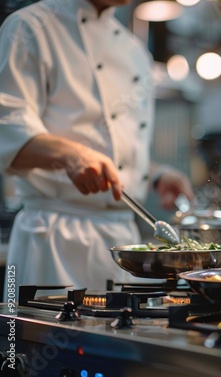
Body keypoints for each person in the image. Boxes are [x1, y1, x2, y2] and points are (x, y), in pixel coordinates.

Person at [0, 0, 194, 298]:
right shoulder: (30, 26)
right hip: (53, 239)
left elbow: (114, 146)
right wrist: (69, 155)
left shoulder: (135, 51)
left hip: (123, 246)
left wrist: (154, 174)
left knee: (117, 342)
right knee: (37, 343)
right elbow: (6, 128)